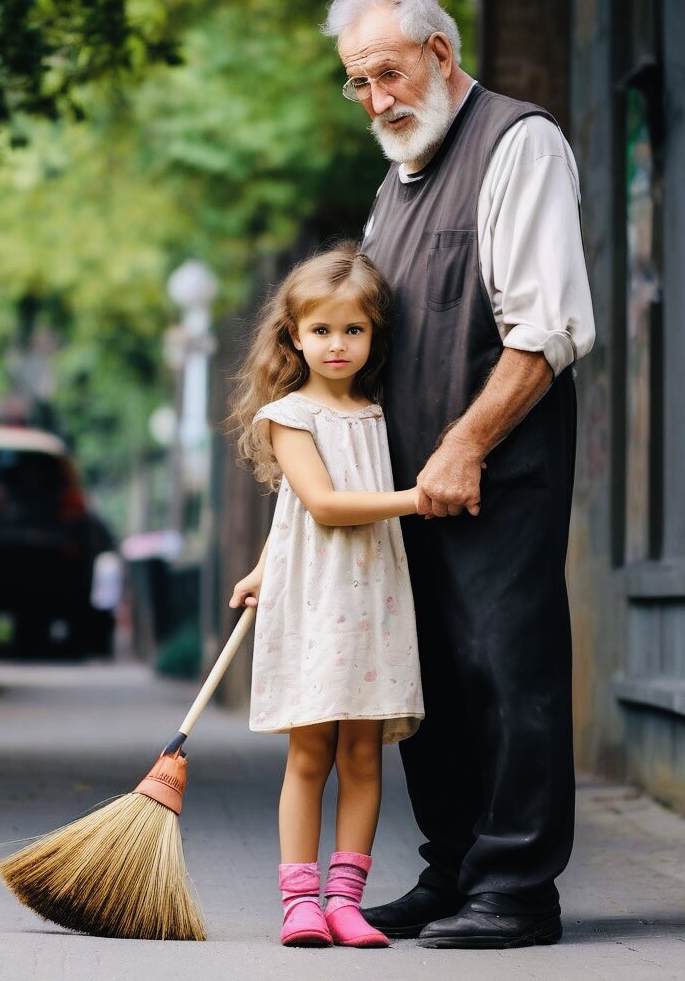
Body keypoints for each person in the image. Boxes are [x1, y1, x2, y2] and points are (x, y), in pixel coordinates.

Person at [319, 0, 596, 949]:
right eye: (357, 83)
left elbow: (549, 327)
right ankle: (452, 871)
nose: (376, 99)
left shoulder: (518, 144)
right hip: (403, 486)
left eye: (388, 73)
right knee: (425, 677)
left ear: (441, 53)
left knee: (503, 667)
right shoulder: (393, 187)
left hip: (495, 473)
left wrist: (466, 445)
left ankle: (518, 888)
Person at [227, 243, 426, 949]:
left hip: (373, 601)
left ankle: (347, 901)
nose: (336, 345)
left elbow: (288, 518)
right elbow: (319, 503)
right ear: (293, 335)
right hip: (317, 604)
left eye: (353, 330)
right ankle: (299, 902)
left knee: (364, 755)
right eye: (320, 331)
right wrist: (419, 498)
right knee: (310, 753)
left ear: (374, 336)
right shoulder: (289, 416)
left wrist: (259, 564)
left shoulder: (379, 411)